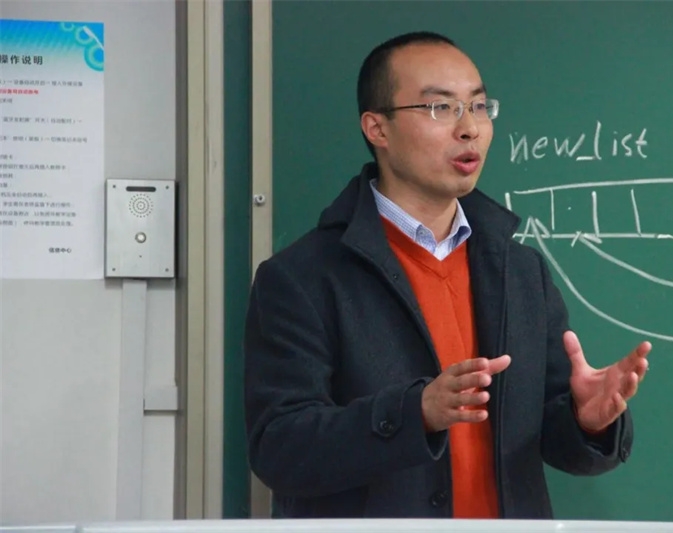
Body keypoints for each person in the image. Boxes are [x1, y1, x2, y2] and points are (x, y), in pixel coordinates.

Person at [243, 30, 651, 519]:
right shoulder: (300, 278)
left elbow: (553, 442)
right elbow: (280, 449)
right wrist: (415, 413)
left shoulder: (519, 271)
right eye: (440, 108)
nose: (469, 128)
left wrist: (587, 421)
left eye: (478, 107)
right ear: (377, 129)